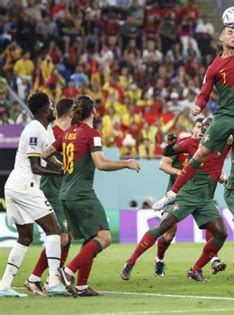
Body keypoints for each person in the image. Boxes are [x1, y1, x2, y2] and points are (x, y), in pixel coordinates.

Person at [155, 26, 234, 239]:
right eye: (229, 32)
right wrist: (198, 106)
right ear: (221, 38)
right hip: (223, 118)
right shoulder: (215, 66)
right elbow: (204, 93)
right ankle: (171, 195)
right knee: (200, 153)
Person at [43, 95, 141, 297]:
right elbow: (101, 163)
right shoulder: (92, 134)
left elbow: (46, 153)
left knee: (90, 238)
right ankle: (67, 271)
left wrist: (61, 167)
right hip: (81, 193)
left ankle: (82, 286)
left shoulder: (67, 132)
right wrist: (127, 163)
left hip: (64, 194)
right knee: (104, 237)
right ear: (93, 111)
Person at [121, 119, 226, 280]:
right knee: (166, 231)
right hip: (181, 193)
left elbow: (215, 163)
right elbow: (164, 162)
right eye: (200, 127)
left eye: (205, 128)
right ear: (195, 130)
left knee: (220, 231)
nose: (202, 131)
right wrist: (173, 152)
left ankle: (198, 267)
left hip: (204, 197)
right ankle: (133, 262)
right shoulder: (187, 144)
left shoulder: (219, 145)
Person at [1, 93, 68, 297]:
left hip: (15, 186)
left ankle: (4, 285)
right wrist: (60, 172)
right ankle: (55, 281)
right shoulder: (33, 130)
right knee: (54, 230)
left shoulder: (45, 130)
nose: (53, 109)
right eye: (50, 105)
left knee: (25, 236)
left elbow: (50, 157)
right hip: (25, 186)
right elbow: (36, 166)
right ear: (44, 110)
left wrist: (64, 165)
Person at [25, 98, 73, 296]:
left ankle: (50, 277)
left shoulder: (71, 134)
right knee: (61, 236)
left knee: (67, 238)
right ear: (70, 112)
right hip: (52, 189)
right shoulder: (53, 133)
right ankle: (37, 278)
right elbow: (45, 158)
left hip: (64, 190)